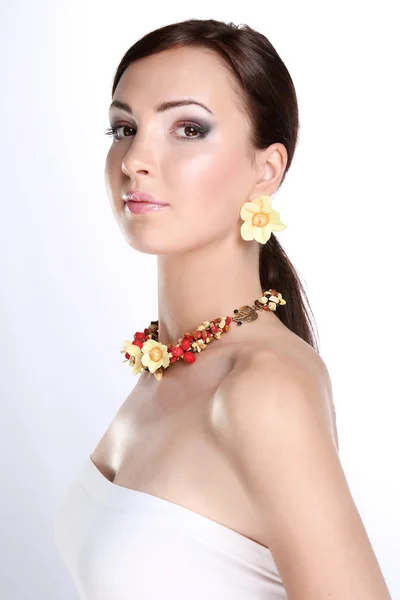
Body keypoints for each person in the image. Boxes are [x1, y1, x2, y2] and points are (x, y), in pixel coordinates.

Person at [54, 18, 392, 600]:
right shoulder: (168, 364)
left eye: (187, 128)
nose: (136, 158)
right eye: (123, 127)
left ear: (267, 170)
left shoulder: (263, 386)